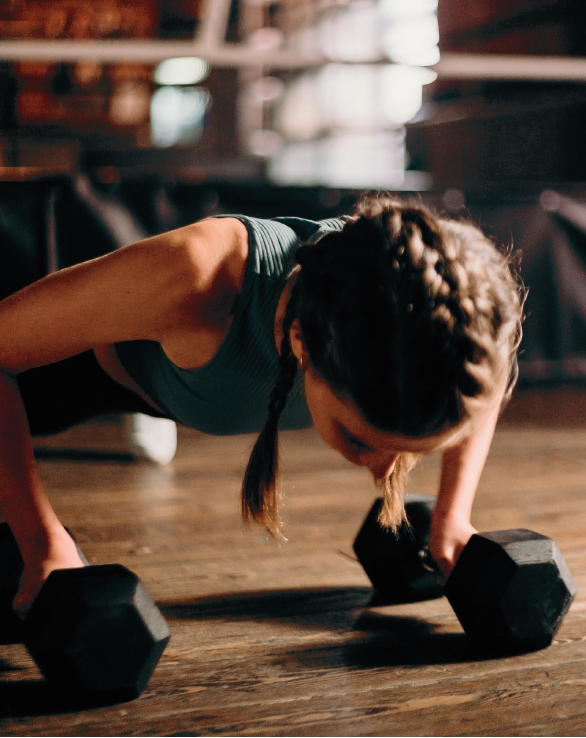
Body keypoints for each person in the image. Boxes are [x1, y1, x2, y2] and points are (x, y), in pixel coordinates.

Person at [0, 192, 523, 616]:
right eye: (362, 440)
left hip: (174, 369)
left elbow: (483, 380)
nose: (383, 471)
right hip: (56, 356)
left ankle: (171, 395)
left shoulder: (453, 308)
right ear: (301, 343)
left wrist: (452, 518)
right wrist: (41, 540)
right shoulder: (198, 279)